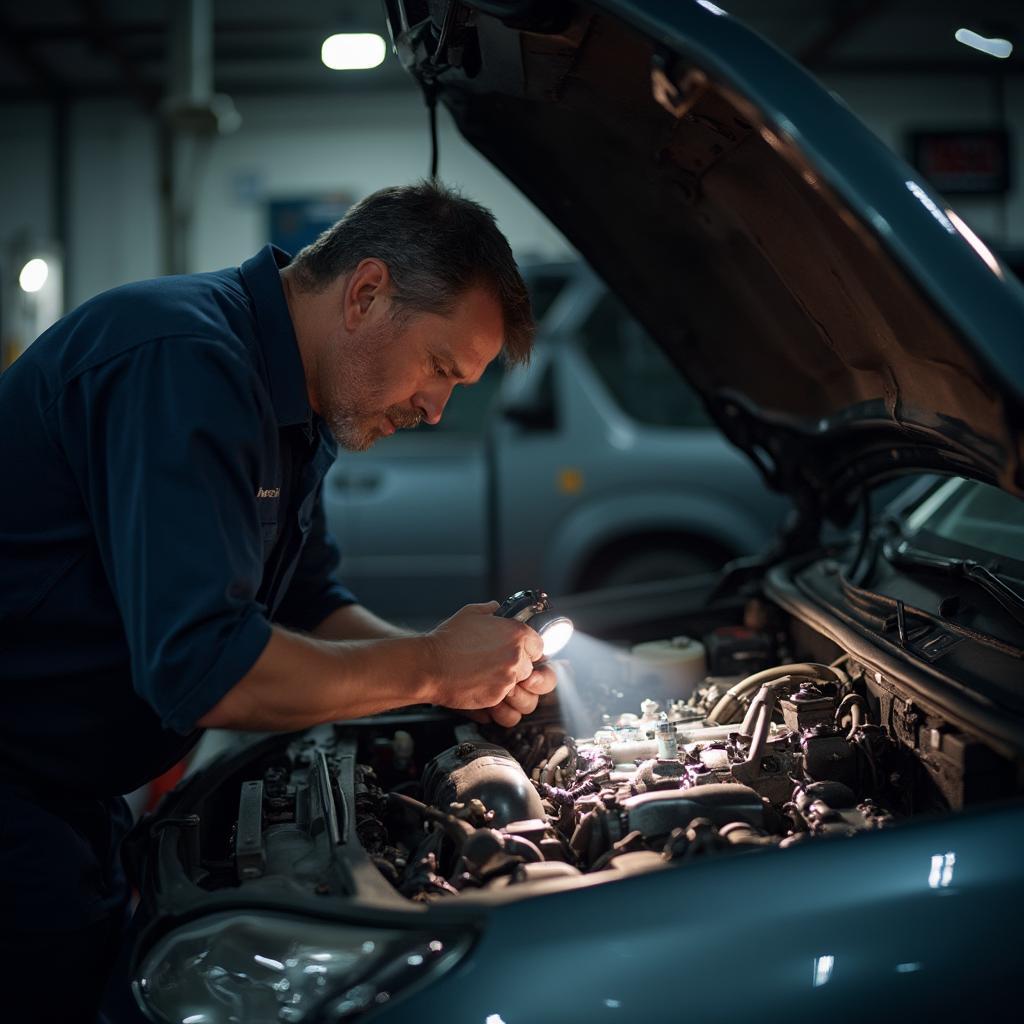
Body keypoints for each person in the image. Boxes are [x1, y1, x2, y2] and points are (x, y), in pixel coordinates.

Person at [0, 181, 556, 1022]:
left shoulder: (294, 402)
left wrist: (450, 680)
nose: (438, 409)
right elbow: (206, 671)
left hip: (70, 787)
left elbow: (306, 598)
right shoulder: (185, 361)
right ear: (366, 293)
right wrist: (433, 670)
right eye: (440, 369)